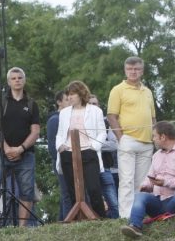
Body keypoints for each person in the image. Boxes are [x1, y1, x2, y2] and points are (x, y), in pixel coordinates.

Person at [121, 121, 175, 238]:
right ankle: (135, 226)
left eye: (154, 136)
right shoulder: (156, 155)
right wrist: (147, 185)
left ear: (163, 137)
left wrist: (166, 183)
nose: (153, 139)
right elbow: (150, 177)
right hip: (158, 202)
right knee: (140, 196)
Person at [0, 67, 40, 227]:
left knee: (26, 192)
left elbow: (35, 131)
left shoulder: (31, 104)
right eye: (14, 78)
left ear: (24, 80)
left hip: (26, 154)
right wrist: (6, 148)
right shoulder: (0, 102)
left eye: (20, 77)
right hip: (1, 154)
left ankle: (22, 228)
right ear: (9, 82)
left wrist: (20, 149)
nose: (17, 80)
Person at [108, 56, 157, 218]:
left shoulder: (148, 91)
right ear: (125, 70)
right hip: (128, 139)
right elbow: (111, 116)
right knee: (126, 180)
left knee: (143, 182)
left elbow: (153, 118)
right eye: (130, 69)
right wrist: (121, 138)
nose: (133, 72)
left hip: (147, 141)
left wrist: (155, 138)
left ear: (142, 71)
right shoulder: (118, 89)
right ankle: (125, 216)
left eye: (136, 69)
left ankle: (139, 214)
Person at [55, 81, 107, 218]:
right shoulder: (64, 113)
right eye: (68, 95)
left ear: (81, 94)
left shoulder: (96, 111)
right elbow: (60, 134)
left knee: (94, 189)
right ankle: (78, 220)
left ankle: (101, 218)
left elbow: (103, 132)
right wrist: (60, 147)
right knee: (73, 191)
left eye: (72, 94)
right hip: (68, 153)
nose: (69, 97)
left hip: (89, 152)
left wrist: (94, 147)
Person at [88, 94, 120, 219]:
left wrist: (93, 144)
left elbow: (114, 144)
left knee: (113, 200)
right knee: (92, 198)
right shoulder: (81, 121)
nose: (92, 106)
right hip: (88, 166)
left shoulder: (107, 122)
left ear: (99, 106)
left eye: (94, 103)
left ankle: (117, 221)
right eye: (89, 103)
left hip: (108, 167)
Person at [46, 90, 73, 220]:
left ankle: (63, 220)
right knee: (66, 193)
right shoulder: (55, 119)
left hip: (73, 161)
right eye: (67, 99)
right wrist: (63, 162)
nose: (70, 101)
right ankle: (67, 221)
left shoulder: (71, 118)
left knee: (68, 193)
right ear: (59, 102)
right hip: (62, 162)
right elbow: (52, 147)